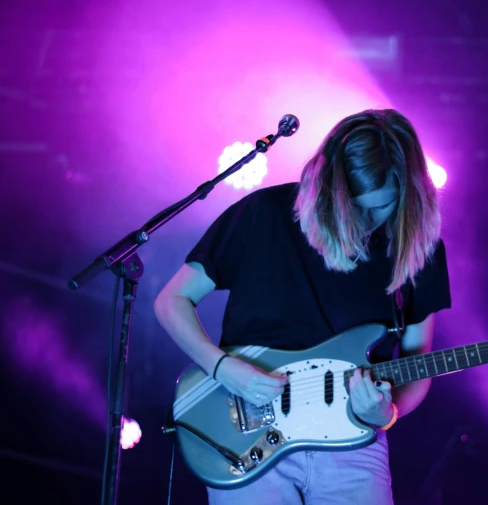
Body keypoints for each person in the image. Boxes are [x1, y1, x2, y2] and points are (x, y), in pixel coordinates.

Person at [153, 108, 451, 504]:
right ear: (331, 187)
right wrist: (223, 368)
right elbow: (172, 300)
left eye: (381, 207)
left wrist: (388, 414)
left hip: (354, 444)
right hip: (250, 434)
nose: (366, 221)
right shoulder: (264, 213)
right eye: (356, 207)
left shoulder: (418, 249)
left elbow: (417, 363)